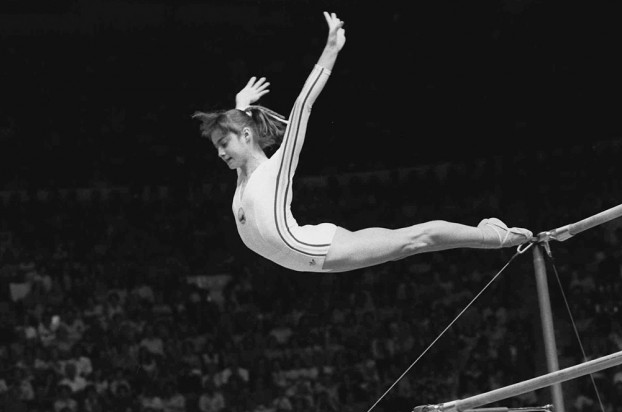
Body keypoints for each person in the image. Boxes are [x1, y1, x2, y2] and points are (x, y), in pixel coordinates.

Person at [193, 12, 533, 273]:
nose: (221, 153)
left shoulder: (275, 170)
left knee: (417, 239)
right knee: (414, 239)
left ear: (246, 135)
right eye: (217, 147)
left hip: (318, 251)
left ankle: (496, 236)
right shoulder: (244, 174)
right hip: (311, 245)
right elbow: (241, 136)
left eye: (224, 143)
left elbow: (303, 105)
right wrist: (239, 106)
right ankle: (491, 233)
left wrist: (330, 50)